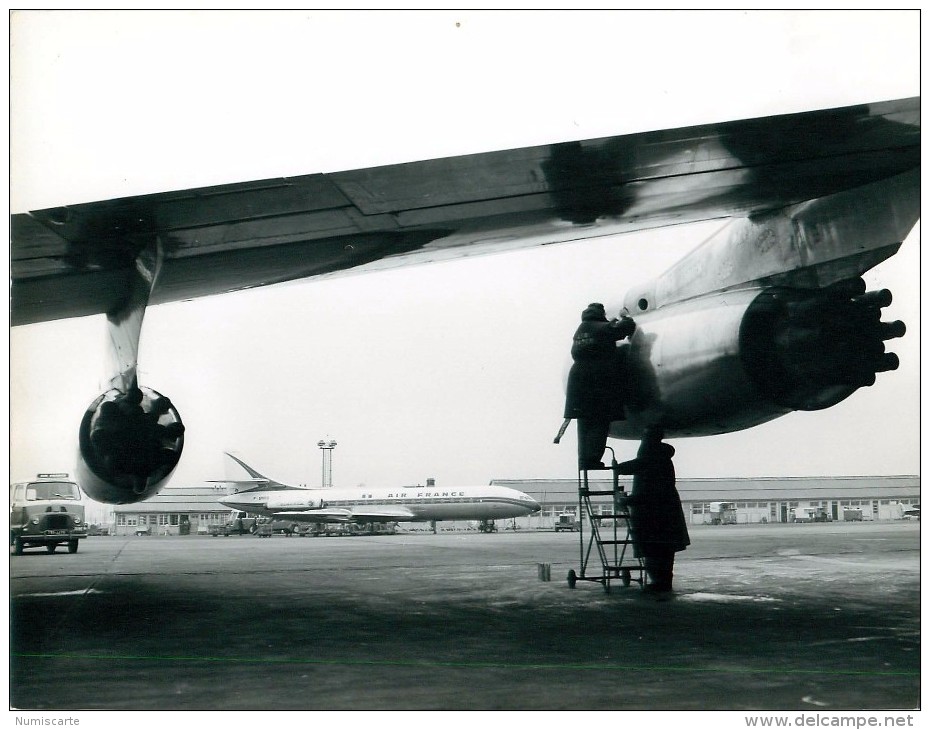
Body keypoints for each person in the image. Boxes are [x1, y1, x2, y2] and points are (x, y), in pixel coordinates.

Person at [616, 431, 690, 596]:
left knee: (654, 551)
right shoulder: (661, 460)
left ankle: (660, 583)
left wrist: (628, 499)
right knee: (663, 553)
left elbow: (648, 491)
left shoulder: (653, 461)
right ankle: (662, 582)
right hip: (665, 519)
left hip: (655, 520)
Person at [563, 303, 635, 469]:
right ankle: (594, 459)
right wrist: (625, 317)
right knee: (599, 423)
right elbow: (626, 328)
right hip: (597, 385)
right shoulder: (601, 327)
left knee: (584, 425)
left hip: (577, 385)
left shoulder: (580, 330)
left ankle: (584, 461)